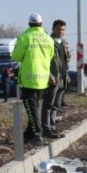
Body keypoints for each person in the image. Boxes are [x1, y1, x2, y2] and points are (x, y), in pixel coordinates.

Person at [12, 13, 56, 144]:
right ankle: (28, 134)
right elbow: (51, 55)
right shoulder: (49, 39)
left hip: (29, 78)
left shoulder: (25, 38)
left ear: (29, 24)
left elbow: (16, 56)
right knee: (35, 106)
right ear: (41, 24)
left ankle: (37, 133)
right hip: (43, 78)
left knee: (31, 108)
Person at [43, 19, 70, 133]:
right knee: (48, 104)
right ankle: (46, 128)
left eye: (63, 29)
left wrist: (66, 75)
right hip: (52, 78)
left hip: (62, 78)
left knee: (56, 105)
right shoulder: (48, 41)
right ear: (53, 29)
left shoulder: (64, 43)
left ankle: (52, 126)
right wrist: (49, 75)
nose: (60, 31)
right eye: (58, 29)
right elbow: (43, 61)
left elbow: (65, 60)